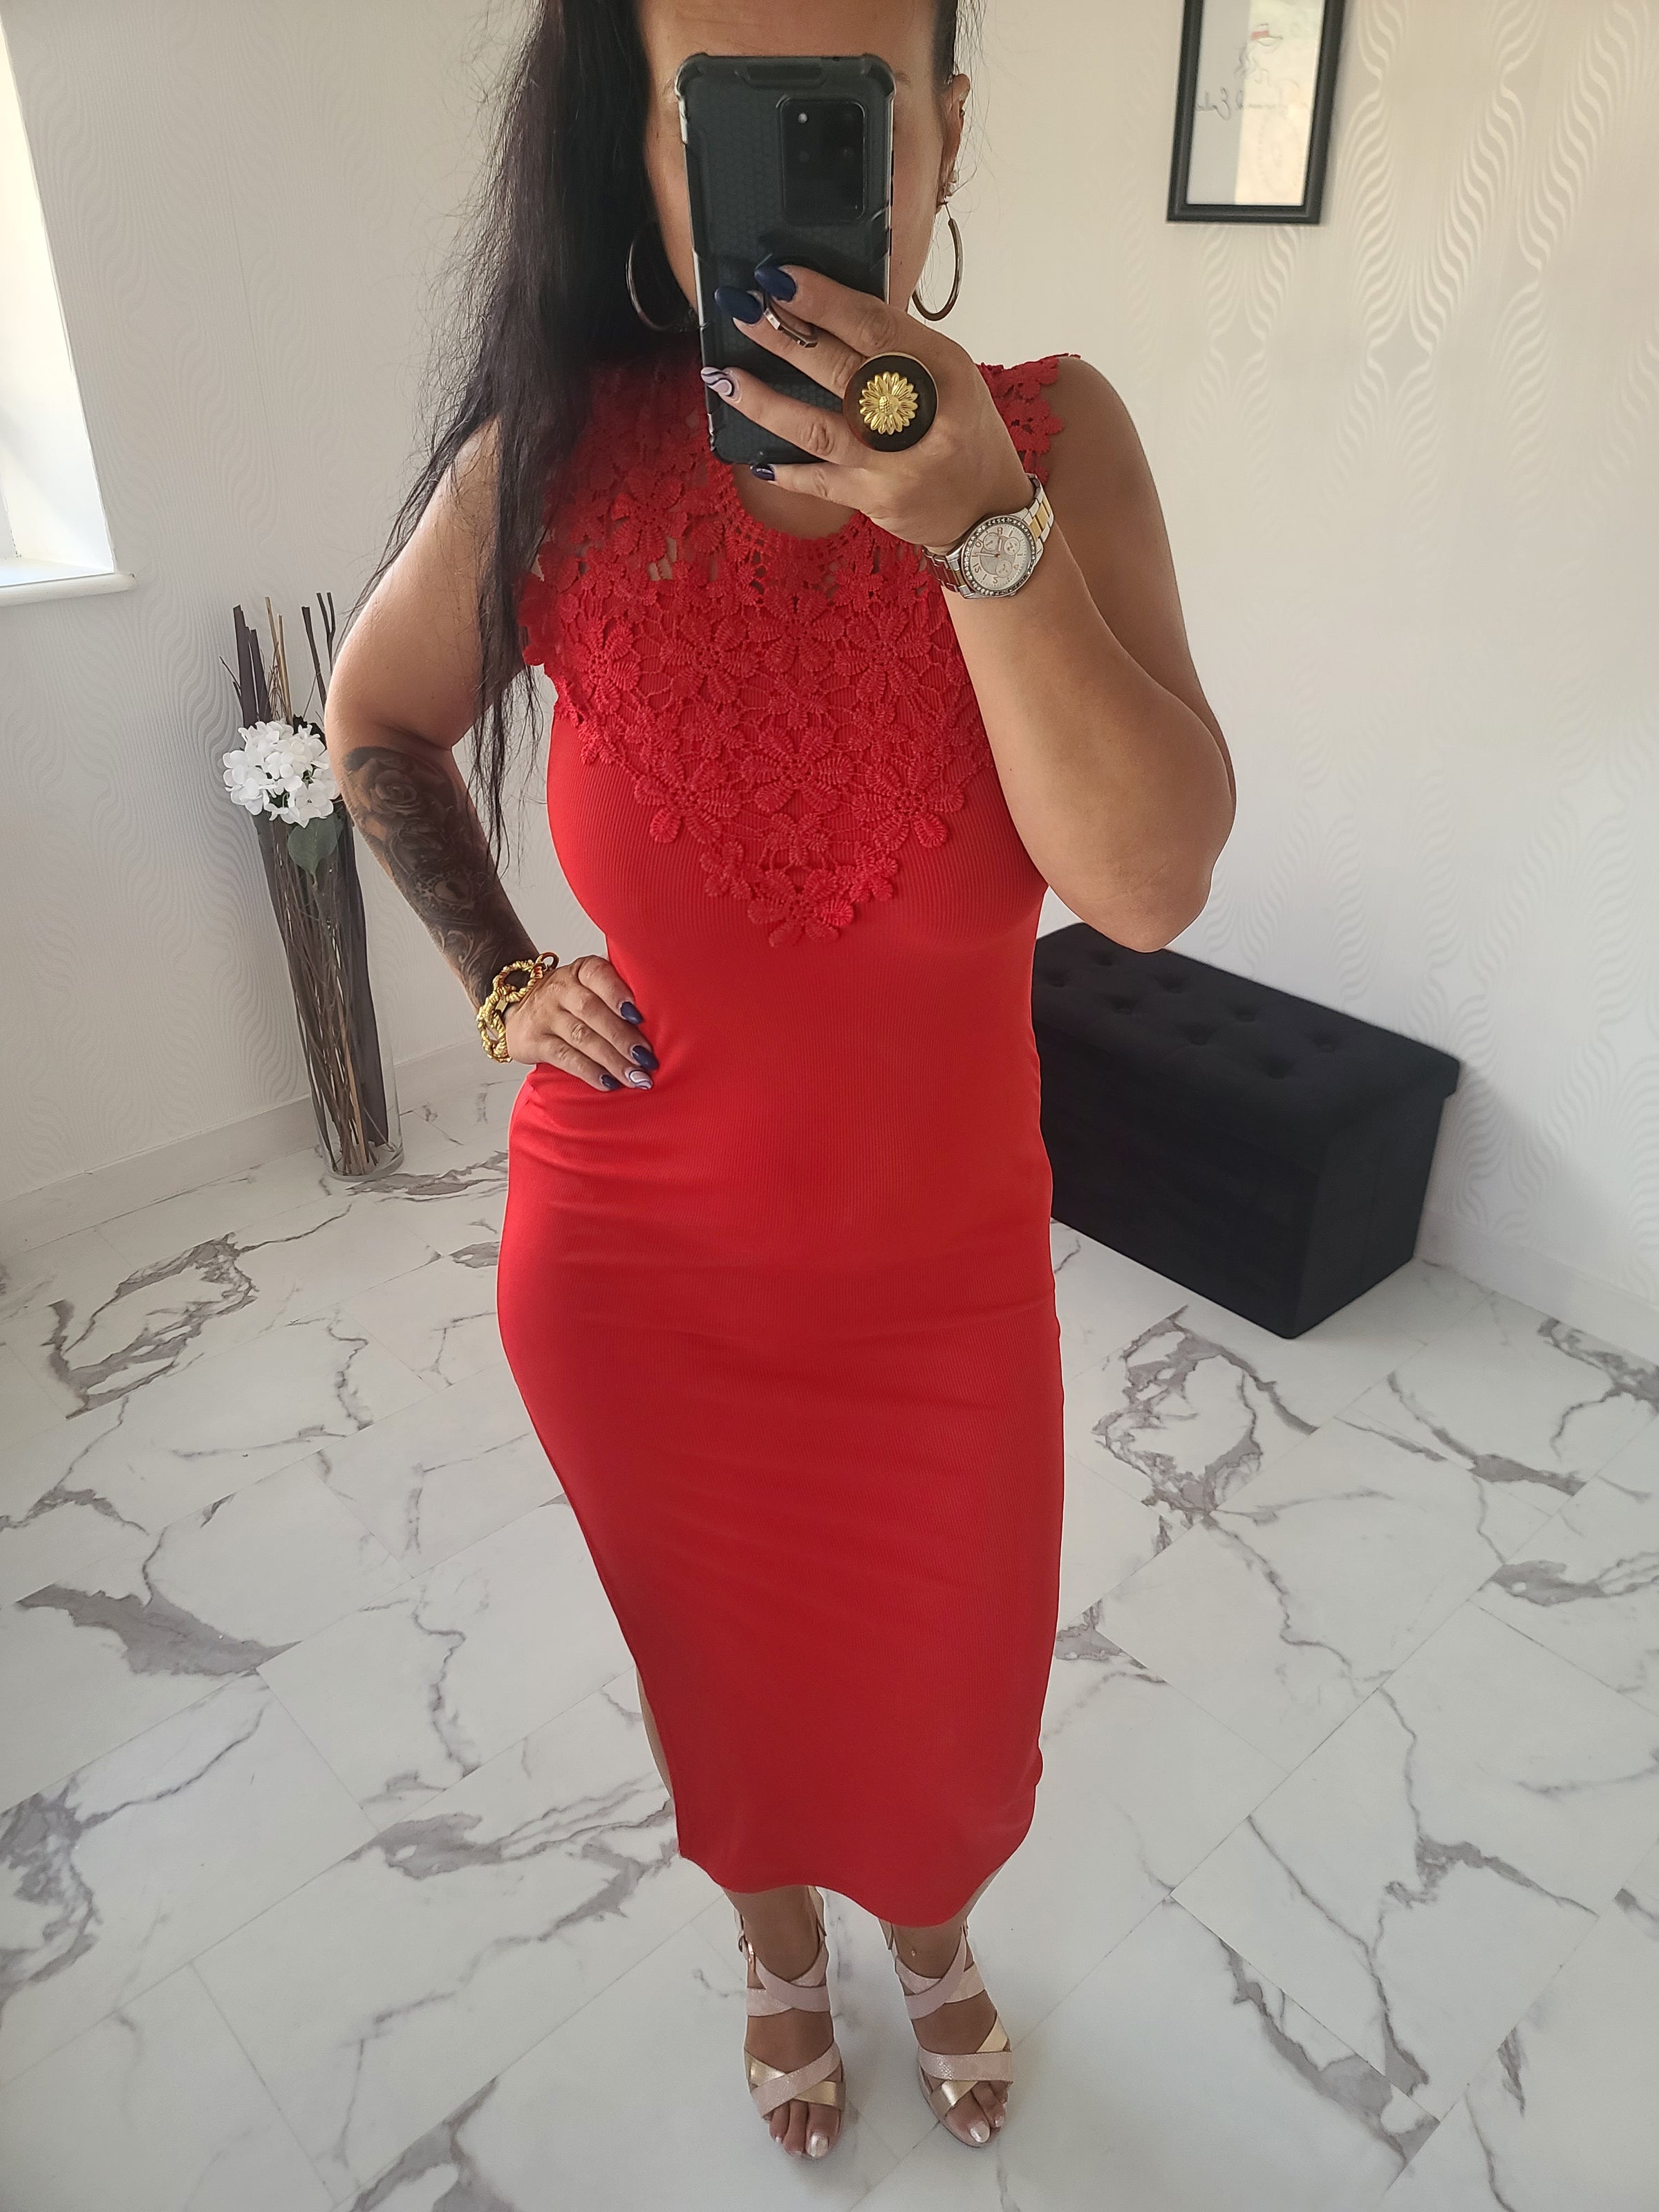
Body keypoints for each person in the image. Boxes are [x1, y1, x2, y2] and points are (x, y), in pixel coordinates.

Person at [324, 0, 1235, 2166]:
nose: (799, 169)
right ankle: (776, 1951)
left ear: (946, 134)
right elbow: (373, 716)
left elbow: (1147, 887)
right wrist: (503, 973)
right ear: (637, 156)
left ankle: (927, 1937)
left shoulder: (1055, 439)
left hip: (939, 1282)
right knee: (720, 1674)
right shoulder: (557, 458)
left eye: (852, 109)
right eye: (716, 114)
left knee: (944, 1695)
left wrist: (979, 520)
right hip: (637, 1279)